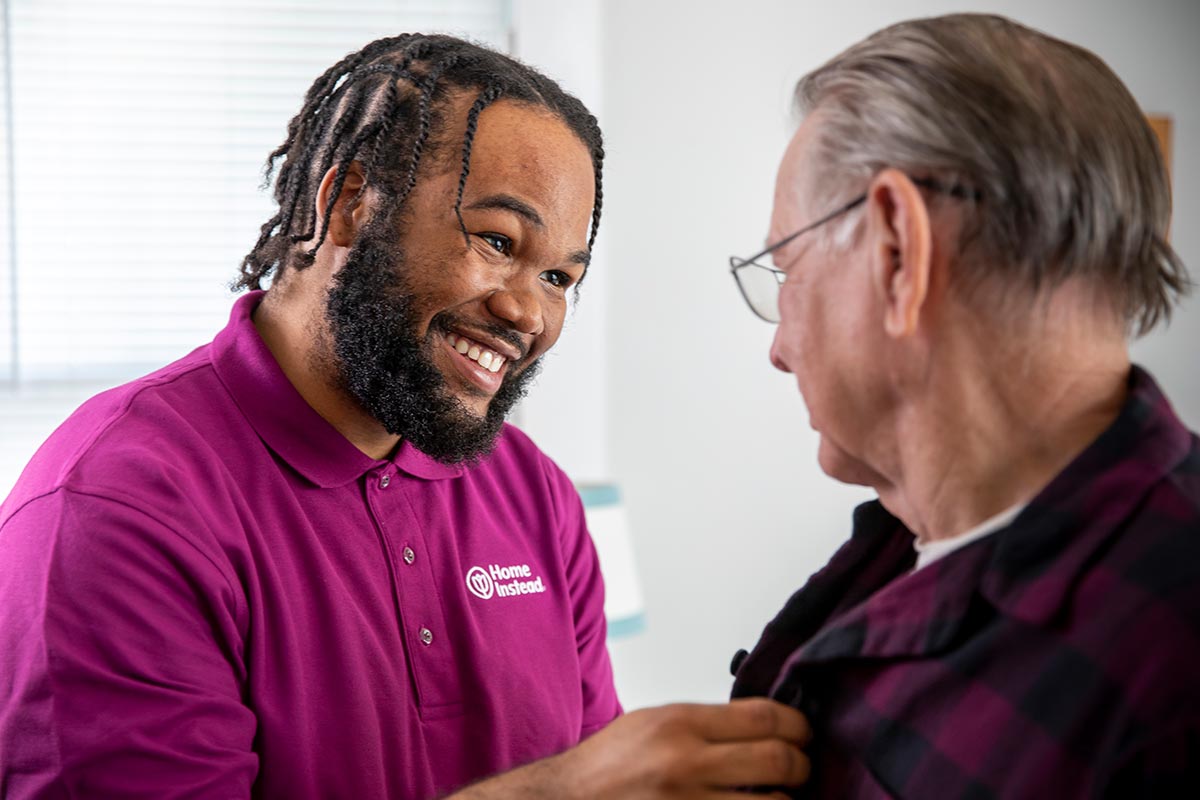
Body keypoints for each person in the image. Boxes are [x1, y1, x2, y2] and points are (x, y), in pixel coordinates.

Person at [0, 34, 811, 798]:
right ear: (351, 202)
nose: (528, 311)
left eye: (561, 278)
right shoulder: (114, 509)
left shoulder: (539, 501)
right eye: (497, 241)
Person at [727, 13, 1199, 798]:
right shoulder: (898, 551)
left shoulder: (1166, 667)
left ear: (898, 249)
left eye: (786, 271)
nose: (778, 350)